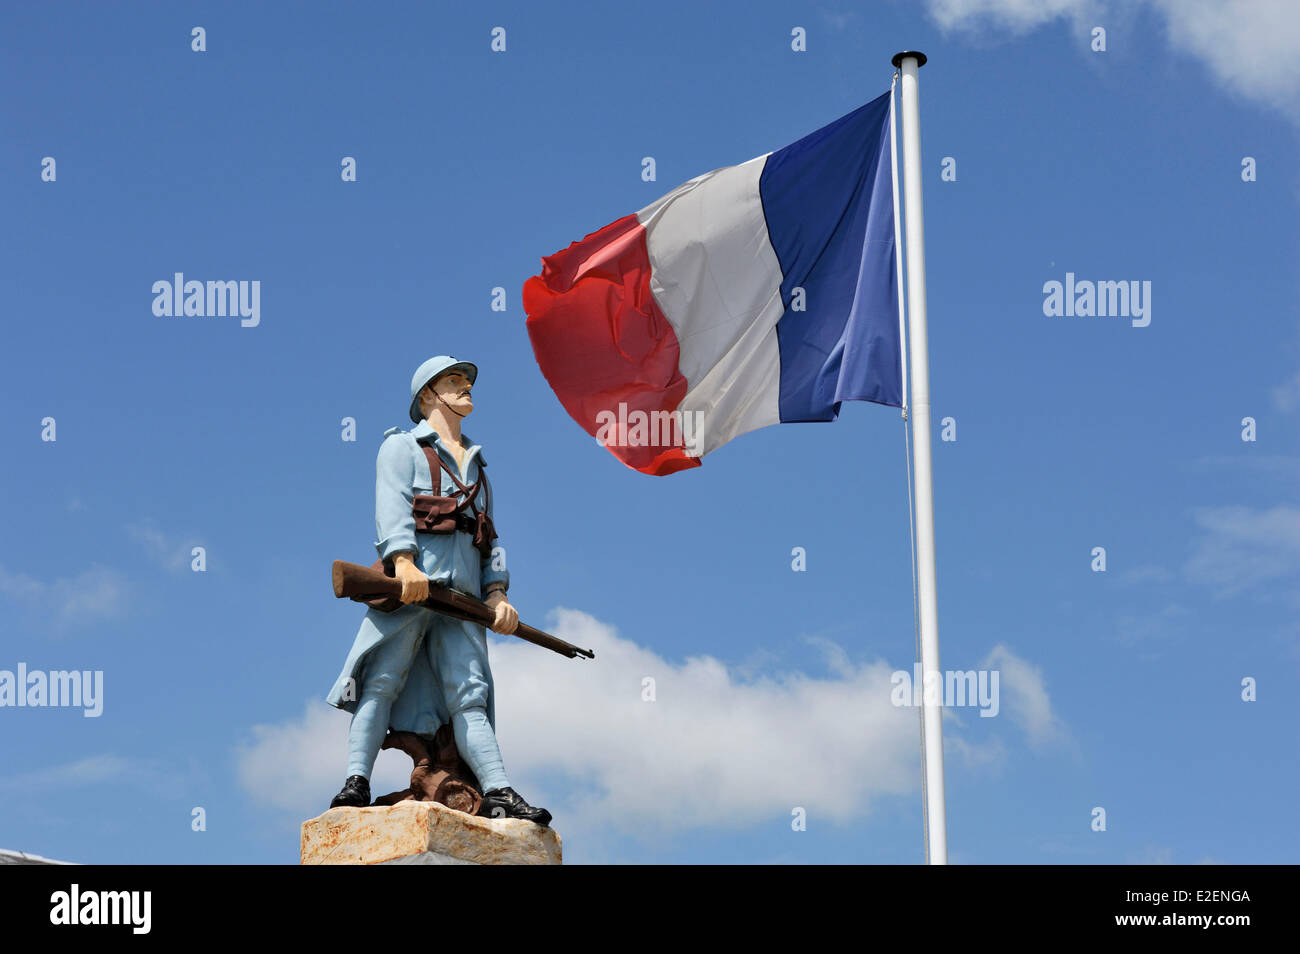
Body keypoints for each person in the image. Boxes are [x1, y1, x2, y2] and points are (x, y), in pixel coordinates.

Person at [325, 355, 551, 825]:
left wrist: (498, 593)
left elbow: (489, 539)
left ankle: (497, 789)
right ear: (428, 395)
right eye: (454, 380)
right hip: (413, 589)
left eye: (467, 380)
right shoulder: (401, 448)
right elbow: (391, 506)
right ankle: (356, 781)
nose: (465, 386)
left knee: (469, 695)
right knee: (381, 682)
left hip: (463, 601)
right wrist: (403, 561)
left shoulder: (478, 465)